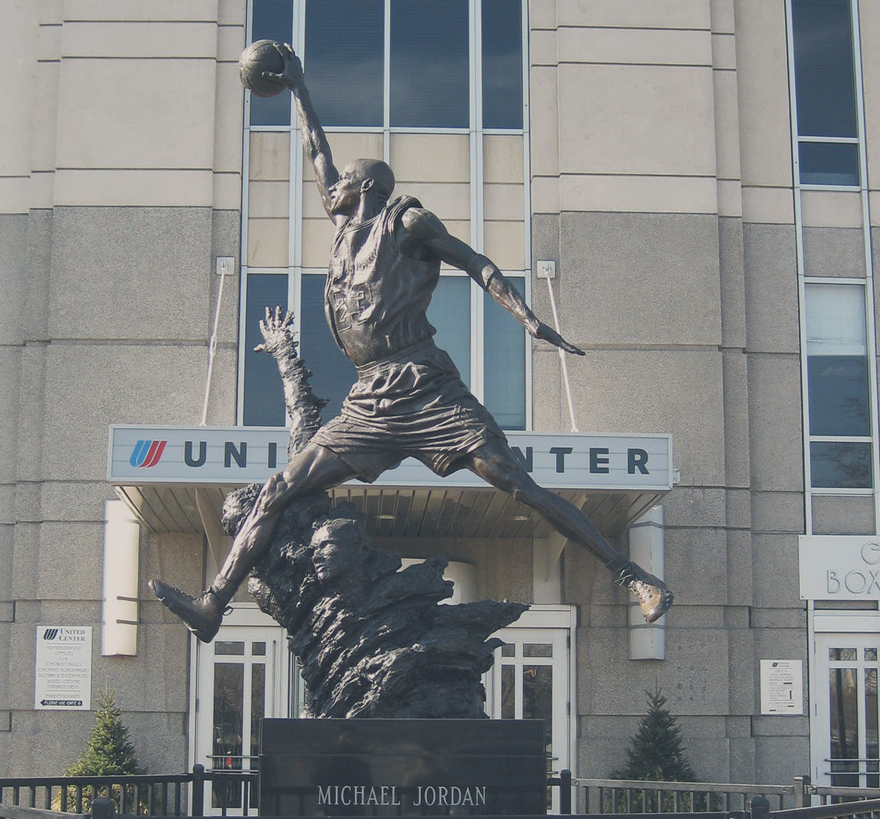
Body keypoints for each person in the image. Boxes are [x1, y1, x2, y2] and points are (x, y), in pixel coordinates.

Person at [150, 44, 672, 641]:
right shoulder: (346, 227)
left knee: (517, 483)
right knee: (278, 490)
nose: (332, 185)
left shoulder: (408, 223)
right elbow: (316, 150)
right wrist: (298, 91)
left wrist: (527, 319)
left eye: (343, 181)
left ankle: (635, 577)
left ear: (366, 185)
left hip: (425, 387)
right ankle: (214, 603)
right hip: (369, 400)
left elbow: (478, 264)